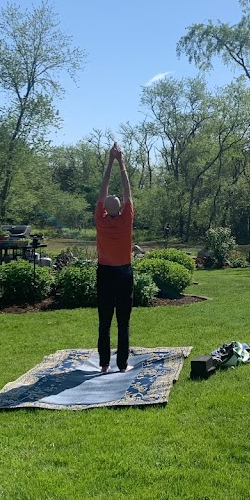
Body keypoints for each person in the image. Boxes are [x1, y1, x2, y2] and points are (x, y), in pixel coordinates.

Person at [95, 142, 134, 373]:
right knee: (123, 321)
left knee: (104, 320)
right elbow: (127, 192)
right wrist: (121, 162)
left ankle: (103, 364)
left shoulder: (100, 219)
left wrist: (109, 162)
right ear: (120, 209)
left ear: (104, 209)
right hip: (123, 272)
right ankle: (122, 365)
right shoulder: (125, 219)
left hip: (105, 272)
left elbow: (103, 190)